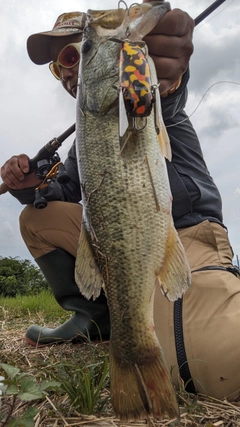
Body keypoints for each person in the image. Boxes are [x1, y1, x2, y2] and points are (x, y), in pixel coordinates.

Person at [1, 3, 240, 403]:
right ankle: (97, 318)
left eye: (76, 54)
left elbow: (169, 88)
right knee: (35, 218)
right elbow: (62, 193)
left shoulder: (148, 99)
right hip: (119, 246)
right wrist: (29, 187)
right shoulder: (86, 140)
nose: (67, 73)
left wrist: (167, 65)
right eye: (59, 68)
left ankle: (213, 287)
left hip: (186, 237)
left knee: (216, 369)